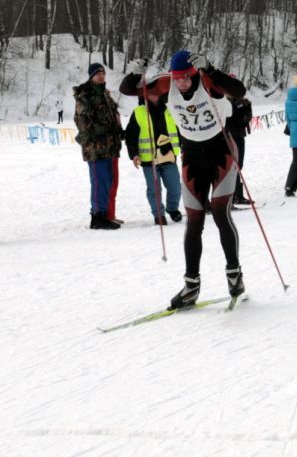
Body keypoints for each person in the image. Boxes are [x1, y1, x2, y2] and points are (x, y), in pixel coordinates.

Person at [121, 50, 247, 309]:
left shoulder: (207, 80)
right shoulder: (167, 84)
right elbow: (127, 89)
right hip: (192, 158)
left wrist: (211, 68)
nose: (181, 83)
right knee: (194, 221)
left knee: (221, 213)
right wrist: (135, 72)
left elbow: (239, 90)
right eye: (177, 79)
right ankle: (191, 286)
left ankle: (234, 275)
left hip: (221, 153)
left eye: (186, 79)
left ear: (194, 74)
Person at [73, 62, 123, 230]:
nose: (101, 76)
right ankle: (97, 217)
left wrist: (118, 130)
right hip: (95, 147)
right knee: (99, 181)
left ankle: (106, 214)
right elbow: (83, 122)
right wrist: (107, 129)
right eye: (97, 73)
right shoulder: (85, 95)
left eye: (103, 73)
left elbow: (112, 117)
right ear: (91, 76)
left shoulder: (106, 95)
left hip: (110, 146)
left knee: (109, 181)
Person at [124, 92, 182, 224]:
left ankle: (172, 209)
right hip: (149, 159)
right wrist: (134, 154)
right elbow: (130, 135)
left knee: (175, 188)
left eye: (155, 92)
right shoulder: (139, 112)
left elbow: (180, 130)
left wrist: (185, 146)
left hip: (169, 156)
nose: (154, 95)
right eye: (150, 93)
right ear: (145, 95)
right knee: (155, 190)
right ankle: (158, 215)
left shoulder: (170, 109)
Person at [226, 92, 253, 205]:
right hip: (231, 136)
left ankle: (237, 195)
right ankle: (234, 195)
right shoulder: (225, 102)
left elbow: (245, 119)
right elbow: (232, 119)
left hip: (238, 135)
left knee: (238, 165)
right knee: (234, 165)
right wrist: (238, 108)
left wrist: (247, 108)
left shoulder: (243, 102)